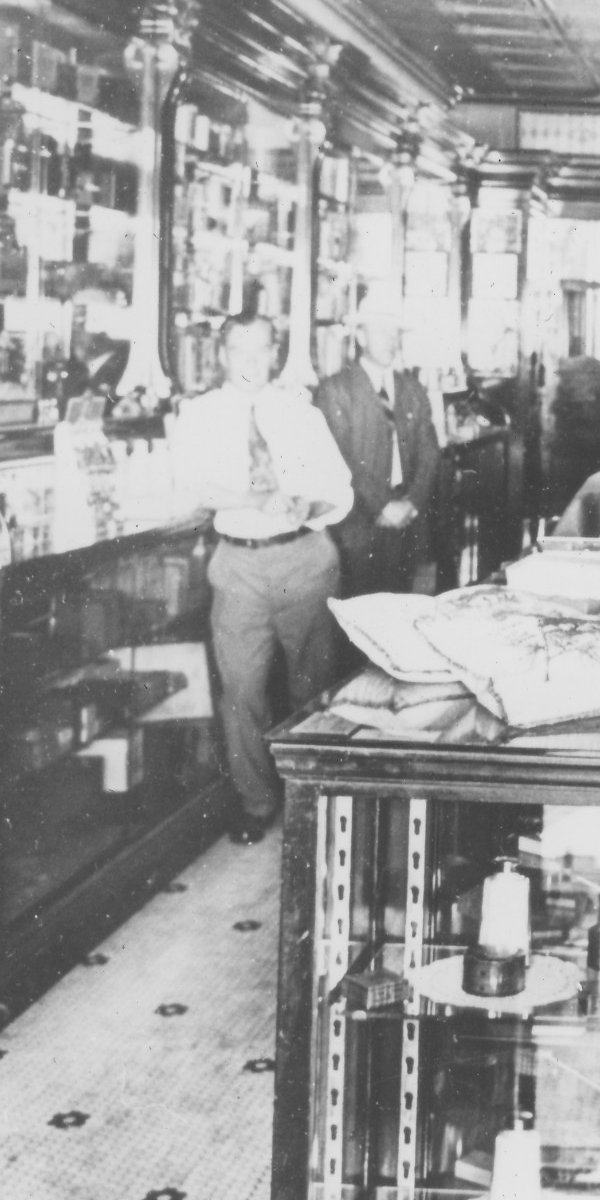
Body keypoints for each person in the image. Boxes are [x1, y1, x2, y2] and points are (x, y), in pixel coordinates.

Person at [169, 313, 352, 844]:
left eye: (260, 350)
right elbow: (191, 488)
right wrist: (254, 499)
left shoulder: (302, 415)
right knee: (241, 691)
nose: (250, 362)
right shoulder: (199, 415)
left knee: (314, 686)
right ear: (221, 354)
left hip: (304, 560)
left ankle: (314, 802)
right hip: (239, 566)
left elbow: (339, 491)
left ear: (275, 353)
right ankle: (256, 801)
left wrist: (307, 504)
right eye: (238, 350)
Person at [317, 296, 443, 597]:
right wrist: (383, 505)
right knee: (359, 610)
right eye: (381, 331)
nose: (390, 340)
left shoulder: (412, 389)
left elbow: (429, 452)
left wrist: (412, 502)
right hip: (358, 527)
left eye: (395, 333)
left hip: (407, 523)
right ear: (361, 336)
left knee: (400, 606)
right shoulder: (336, 390)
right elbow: (339, 460)